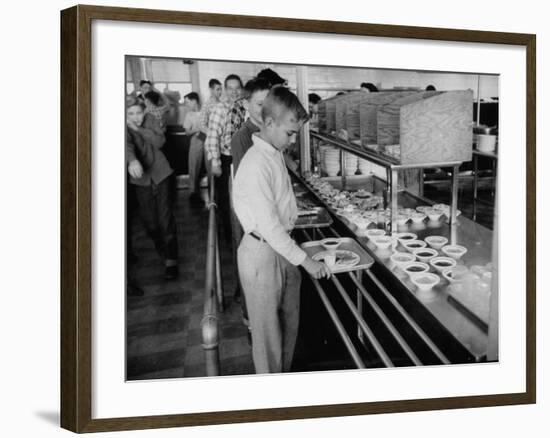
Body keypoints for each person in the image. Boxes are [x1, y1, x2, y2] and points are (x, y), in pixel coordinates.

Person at [232, 87, 331, 374]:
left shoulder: (273, 152)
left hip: (279, 246)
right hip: (261, 251)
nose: (292, 140)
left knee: (288, 324)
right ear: (270, 123)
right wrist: (307, 261)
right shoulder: (255, 164)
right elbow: (269, 227)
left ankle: (283, 378)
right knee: (268, 338)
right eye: (290, 133)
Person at [126, 99, 179, 280]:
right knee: (150, 223)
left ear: (144, 111)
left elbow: (159, 141)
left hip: (161, 172)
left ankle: (171, 260)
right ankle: (163, 249)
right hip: (140, 178)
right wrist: (132, 160)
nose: (135, 117)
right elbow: (126, 146)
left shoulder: (150, 120)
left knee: (165, 219)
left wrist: (138, 129)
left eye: (138, 113)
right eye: (130, 114)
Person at [204, 74, 243, 243]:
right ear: (225, 90)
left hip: (240, 158)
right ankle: (229, 238)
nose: (234, 92)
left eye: (237, 88)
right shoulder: (220, 108)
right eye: (230, 88)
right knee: (226, 200)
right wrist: (215, 161)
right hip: (225, 159)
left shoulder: (241, 107)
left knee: (240, 198)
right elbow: (212, 136)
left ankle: (238, 233)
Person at [183, 92, 205, 206]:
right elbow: (187, 132)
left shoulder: (206, 111)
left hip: (208, 140)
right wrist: (196, 130)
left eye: (187, 102)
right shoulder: (189, 115)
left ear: (194, 101)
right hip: (196, 141)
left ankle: (213, 194)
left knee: (211, 167)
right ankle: (193, 193)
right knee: (193, 167)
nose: (186, 105)